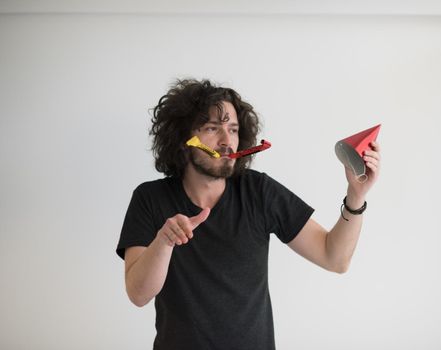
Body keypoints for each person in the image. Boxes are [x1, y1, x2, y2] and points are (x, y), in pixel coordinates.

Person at [116, 79, 381, 350]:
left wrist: (356, 196)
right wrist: (164, 241)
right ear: (184, 139)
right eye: (212, 128)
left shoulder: (259, 191)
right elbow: (138, 294)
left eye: (233, 129)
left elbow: (334, 258)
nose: (226, 141)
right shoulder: (150, 198)